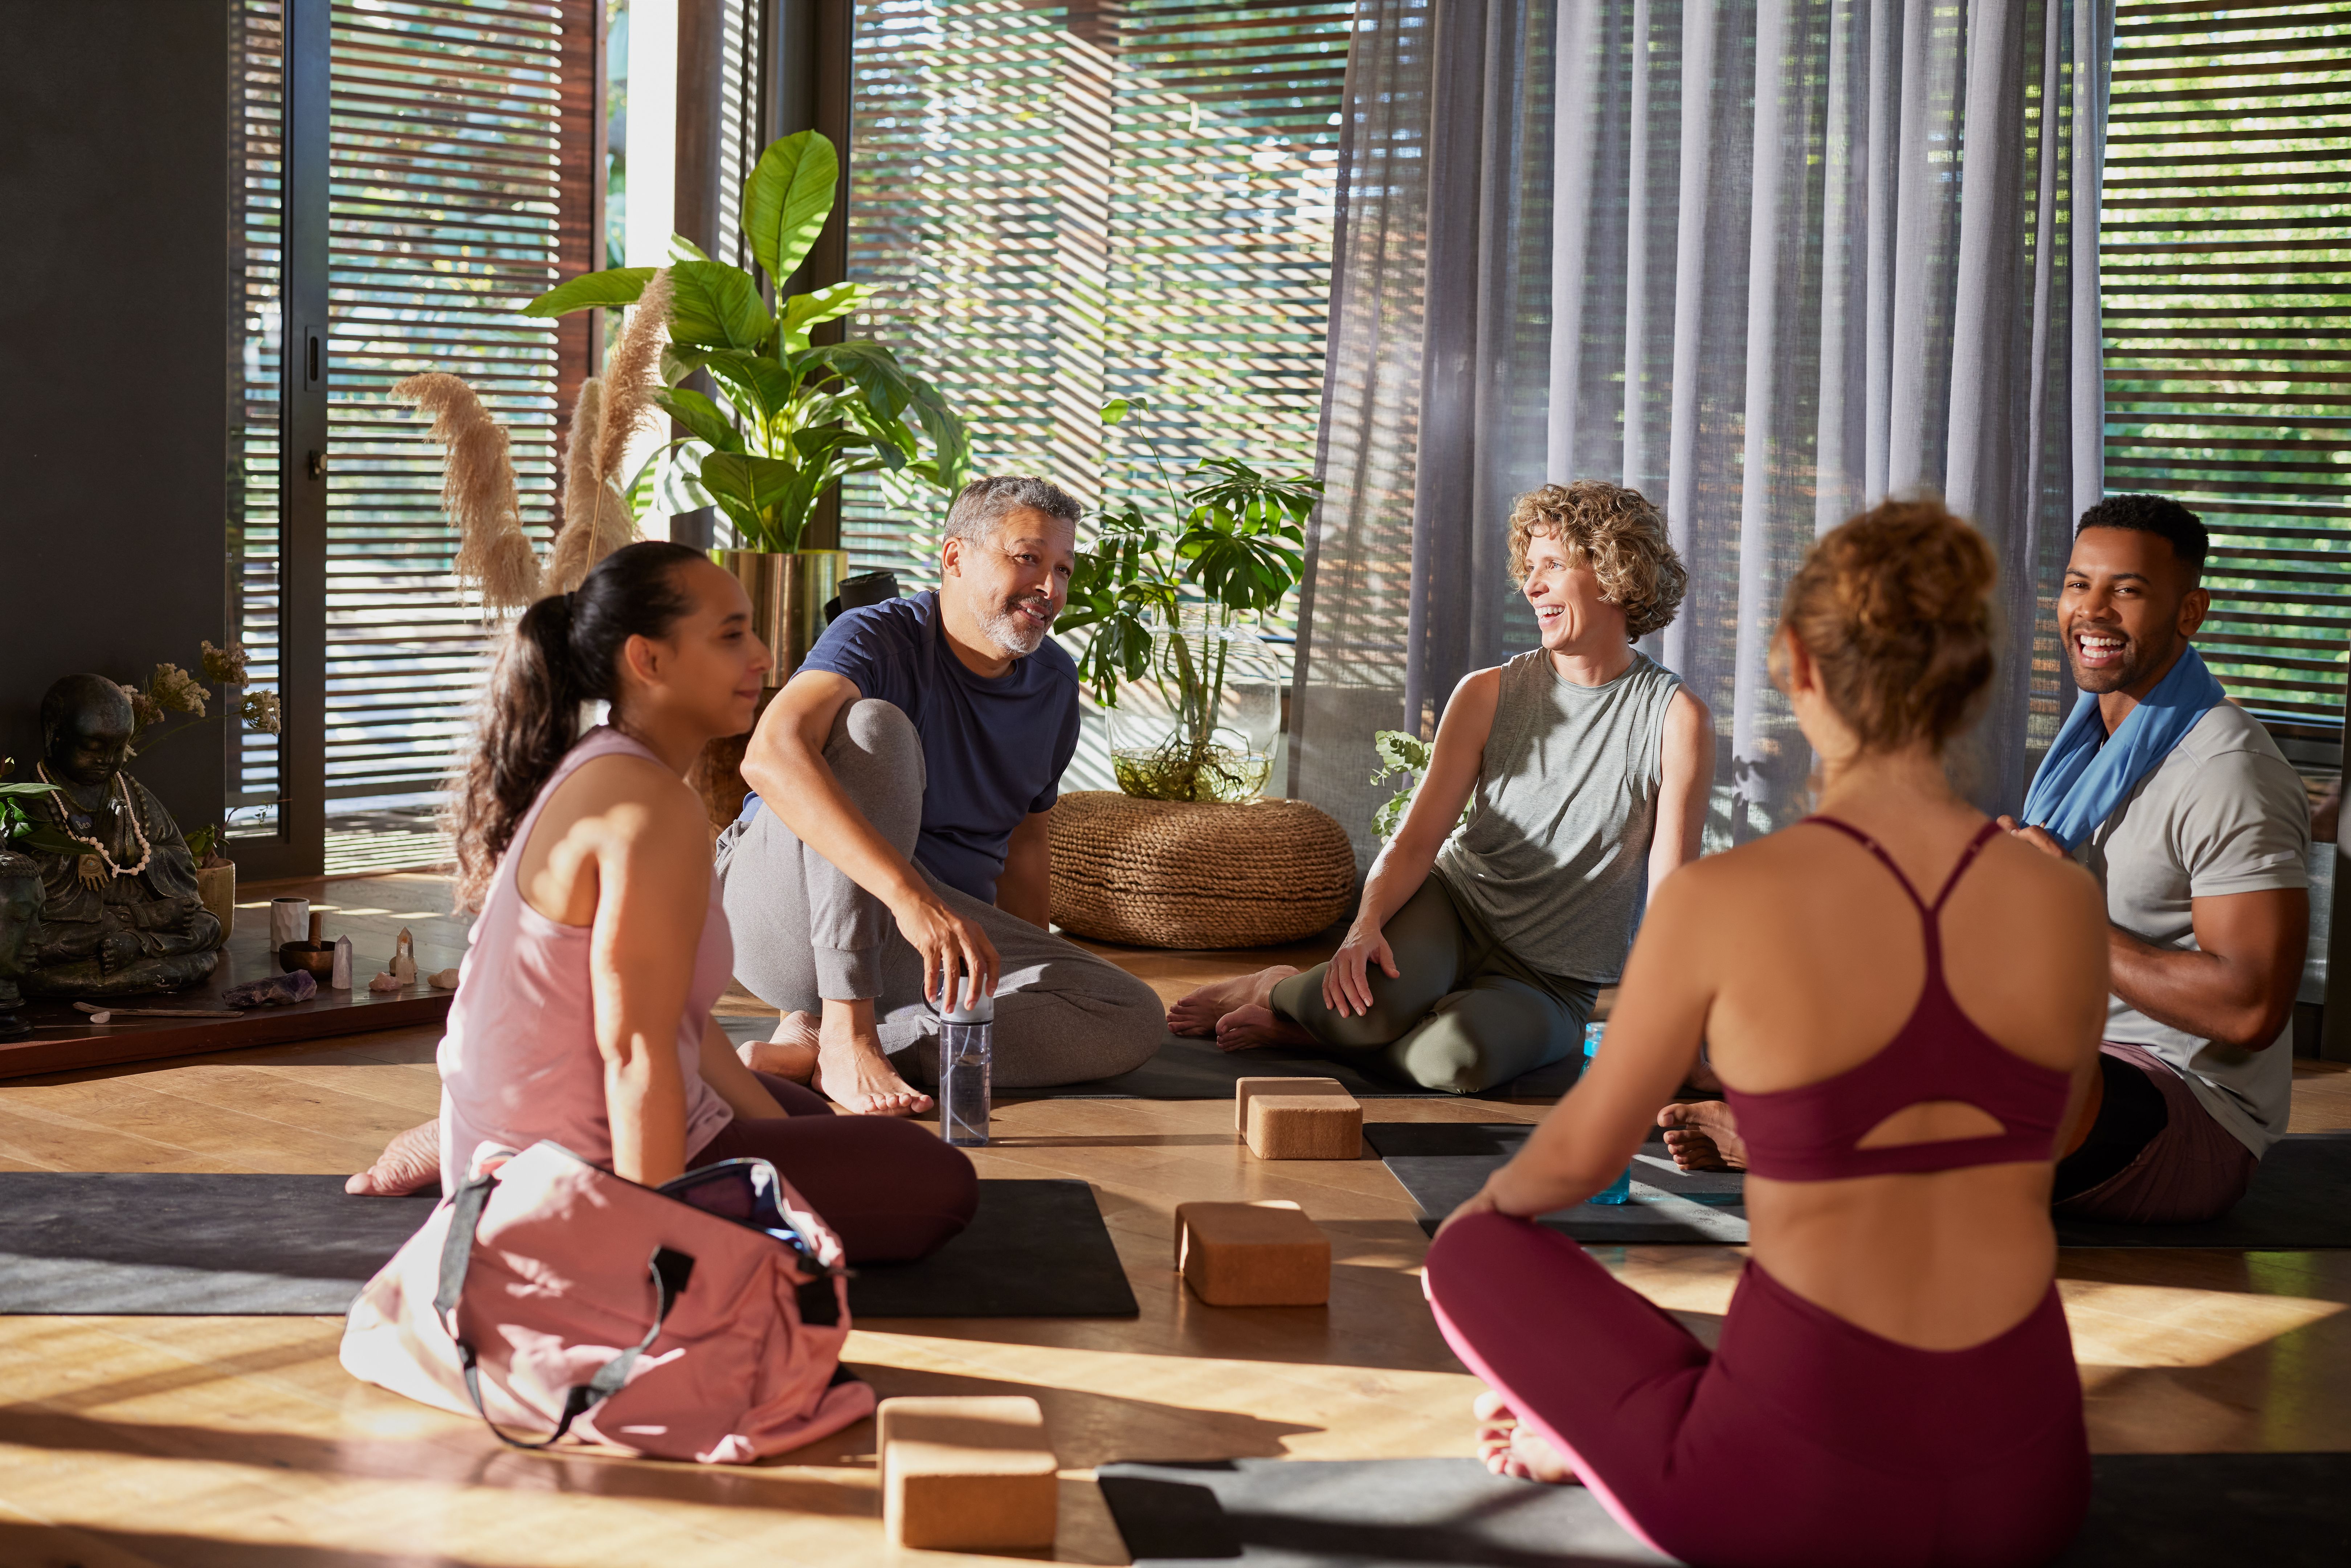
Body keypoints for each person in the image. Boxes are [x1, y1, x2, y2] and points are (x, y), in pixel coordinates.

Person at [1424, 500, 2107, 1568]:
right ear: (1973, 685)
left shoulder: (1727, 900)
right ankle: (1645, 1425)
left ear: (1795, 666)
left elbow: (1575, 1162)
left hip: (1790, 1501)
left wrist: (1510, 1261)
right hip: (2025, 1494)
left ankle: (1602, 1442)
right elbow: (2057, 1127)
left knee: (1472, 1249)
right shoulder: (2060, 902)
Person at [1662, 495, 2310, 1230]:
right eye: (2076, 584)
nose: (2091, 612)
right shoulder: (2083, 750)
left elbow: (2250, 1007)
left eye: (2125, 591)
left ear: (2189, 612)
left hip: (2181, 1111)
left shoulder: (2228, 771)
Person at [347, 542, 977, 1263]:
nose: (765, 658)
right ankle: (565, 1188)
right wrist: (658, 1252)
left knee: (800, 1112)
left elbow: (669, 1013)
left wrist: (773, 1136)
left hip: (546, 1116)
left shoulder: (610, 765)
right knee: (939, 1182)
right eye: (731, 635)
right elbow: (634, 1051)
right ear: (648, 661)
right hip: (578, 1160)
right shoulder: (646, 809)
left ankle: (504, 1150)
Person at [1166, 481, 1713, 1093]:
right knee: (1355, 1010)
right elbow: (1417, 839)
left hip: (1551, 978)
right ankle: (1274, 987)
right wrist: (1364, 926)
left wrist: (1683, 1040)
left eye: (1552, 566)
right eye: (1529, 569)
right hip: (1454, 909)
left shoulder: (1675, 718)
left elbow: (1673, 899)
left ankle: (1317, 1036)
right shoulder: (1487, 693)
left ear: (1616, 572)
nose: (1531, 587)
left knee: (1453, 1063)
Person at [718, 476, 1163, 1115]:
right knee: (876, 729)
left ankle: (843, 1045)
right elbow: (768, 756)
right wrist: (910, 899)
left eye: (1063, 569)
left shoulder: (1054, 682)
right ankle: (843, 1026)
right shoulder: (877, 636)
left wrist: (1016, 973)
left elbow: (1026, 842)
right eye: (1028, 559)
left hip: (922, 938)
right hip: (784, 909)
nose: (1051, 589)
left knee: (1128, 1013)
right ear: (954, 557)